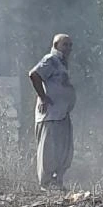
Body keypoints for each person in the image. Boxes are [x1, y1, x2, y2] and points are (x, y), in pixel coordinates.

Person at [29, 34, 76, 191]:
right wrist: (43, 98)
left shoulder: (63, 63)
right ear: (56, 45)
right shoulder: (50, 59)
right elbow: (34, 74)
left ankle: (58, 182)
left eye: (70, 45)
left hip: (62, 114)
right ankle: (47, 185)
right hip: (51, 115)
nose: (68, 48)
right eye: (65, 45)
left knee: (64, 150)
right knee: (48, 151)